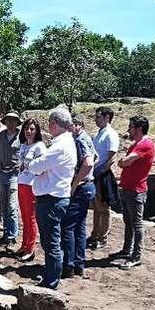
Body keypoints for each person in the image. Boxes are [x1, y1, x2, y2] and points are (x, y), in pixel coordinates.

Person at [26, 107, 77, 289]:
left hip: (51, 199)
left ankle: (51, 281)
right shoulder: (64, 143)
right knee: (50, 241)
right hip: (53, 197)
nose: (48, 126)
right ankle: (50, 276)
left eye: (49, 123)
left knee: (51, 242)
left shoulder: (60, 146)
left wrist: (30, 163)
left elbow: (37, 166)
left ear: (55, 124)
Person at [110, 115, 155, 269]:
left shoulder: (145, 145)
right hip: (128, 189)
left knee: (136, 224)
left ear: (139, 128)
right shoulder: (136, 144)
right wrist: (124, 162)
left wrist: (124, 162)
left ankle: (136, 256)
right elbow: (124, 161)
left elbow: (125, 161)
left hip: (136, 191)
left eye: (130, 127)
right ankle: (126, 250)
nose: (128, 130)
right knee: (128, 222)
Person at [61, 115, 96, 278]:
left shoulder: (81, 140)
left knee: (68, 227)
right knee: (79, 226)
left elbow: (88, 162)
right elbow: (96, 157)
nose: (68, 130)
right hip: (87, 186)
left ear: (77, 125)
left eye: (69, 127)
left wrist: (75, 182)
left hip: (81, 188)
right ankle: (78, 263)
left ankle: (68, 265)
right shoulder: (87, 139)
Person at [0, 112, 23, 247]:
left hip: (15, 174)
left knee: (12, 205)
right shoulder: (0, 136)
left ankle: (12, 237)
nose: (11, 123)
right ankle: (6, 234)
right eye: (8, 120)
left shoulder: (22, 136)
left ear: (17, 122)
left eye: (13, 121)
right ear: (5, 122)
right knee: (3, 205)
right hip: (2, 173)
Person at [15, 118, 47, 261]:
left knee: (31, 218)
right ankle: (24, 244)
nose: (29, 131)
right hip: (21, 183)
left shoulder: (39, 146)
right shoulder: (23, 146)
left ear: (37, 131)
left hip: (32, 185)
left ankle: (30, 248)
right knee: (24, 217)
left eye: (32, 129)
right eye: (27, 128)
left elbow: (43, 167)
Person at [88, 106, 120, 250]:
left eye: (98, 117)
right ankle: (95, 234)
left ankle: (103, 237)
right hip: (95, 173)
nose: (96, 119)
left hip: (103, 174)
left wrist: (100, 171)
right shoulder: (99, 133)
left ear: (107, 118)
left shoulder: (111, 134)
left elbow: (112, 157)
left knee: (104, 207)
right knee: (96, 206)